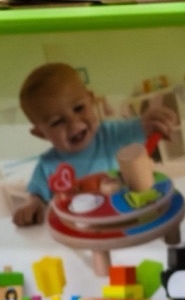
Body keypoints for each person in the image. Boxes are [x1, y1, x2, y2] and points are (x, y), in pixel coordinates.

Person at [12, 61, 172, 228]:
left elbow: (142, 127)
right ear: (41, 134)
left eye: (79, 108)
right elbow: (36, 196)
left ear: (91, 100)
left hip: (127, 220)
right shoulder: (47, 164)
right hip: (81, 231)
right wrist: (32, 205)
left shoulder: (112, 134)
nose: (74, 124)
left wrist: (154, 120)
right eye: (57, 122)